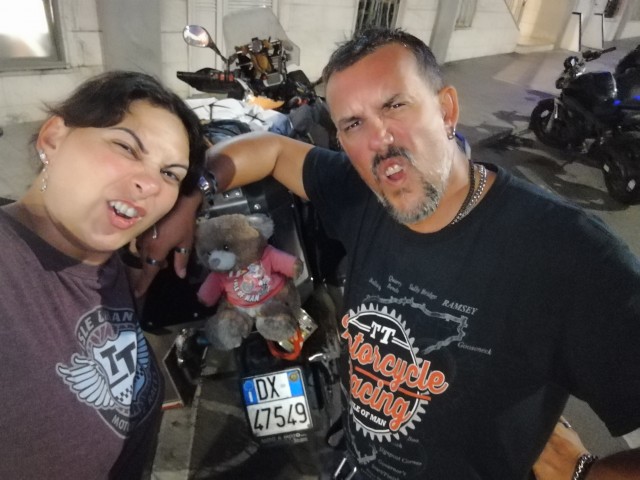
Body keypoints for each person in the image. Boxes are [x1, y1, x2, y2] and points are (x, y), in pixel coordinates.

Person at [136, 27, 640, 479]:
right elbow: (274, 150)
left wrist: (585, 473)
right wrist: (191, 192)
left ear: (447, 110)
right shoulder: (364, 194)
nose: (379, 140)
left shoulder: (571, 256)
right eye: (353, 124)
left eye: (395, 106)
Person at [0, 70, 205, 479]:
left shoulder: (107, 259)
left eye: (169, 174)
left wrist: (189, 202)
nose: (149, 184)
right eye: (126, 147)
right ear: (53, 138)